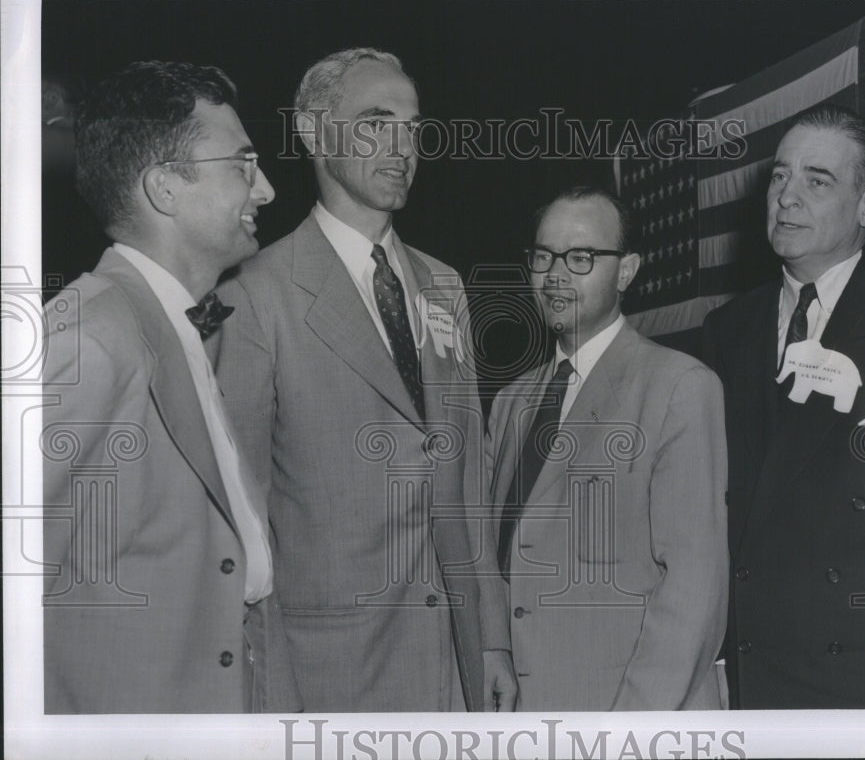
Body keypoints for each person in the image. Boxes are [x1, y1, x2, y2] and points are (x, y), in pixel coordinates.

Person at [213, 48, 515, 711]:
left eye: (412, 126)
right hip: (332, 677)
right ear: (315, 133)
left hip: (454, 668)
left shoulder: (445, 287)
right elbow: (240, 519)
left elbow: (469, 485)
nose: (403, 145)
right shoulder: (257, 295)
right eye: (377, 122)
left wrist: (491, 640)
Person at [42, 60, 299, 713]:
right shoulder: (89, 339)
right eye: (241, 164)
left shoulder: (180, 322)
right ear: (164, 187)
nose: (265, 189)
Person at [701, 103, 865, 708]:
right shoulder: (726, 329)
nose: (788, 197)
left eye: (818, 181)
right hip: (760, 666)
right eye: (780, 176)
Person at [485, 186, 729, 710]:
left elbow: (693, 589)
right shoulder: (511, 401)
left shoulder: (679, 385)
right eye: (543, 256)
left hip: (630, 715)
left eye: (581, 257)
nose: (555, 276)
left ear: (626, 271)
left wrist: (628, 733)